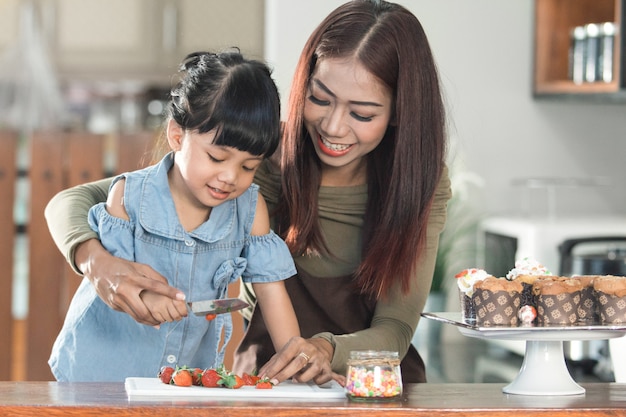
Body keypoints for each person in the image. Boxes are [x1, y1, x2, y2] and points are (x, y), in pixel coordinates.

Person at [45, 0, 451, 386]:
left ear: (399, 110)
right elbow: (75, 201)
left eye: (362, 113)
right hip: (268, 378)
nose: (333, 127)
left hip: (374, 384)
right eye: (319, 98)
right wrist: (96, 261)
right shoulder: (256, 157)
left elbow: (395, 330)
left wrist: (325, 349)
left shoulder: (419, 184)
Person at [47, 50, 299, 382]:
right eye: (216, 157)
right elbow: (117, 282)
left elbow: (273, 293)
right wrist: (148, 297)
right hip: (99, 373)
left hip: (183, 381)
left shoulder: (251, 211)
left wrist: (296, 356)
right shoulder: (129, 196)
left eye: (248, 166)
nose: (230, 176)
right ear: (177, 135)